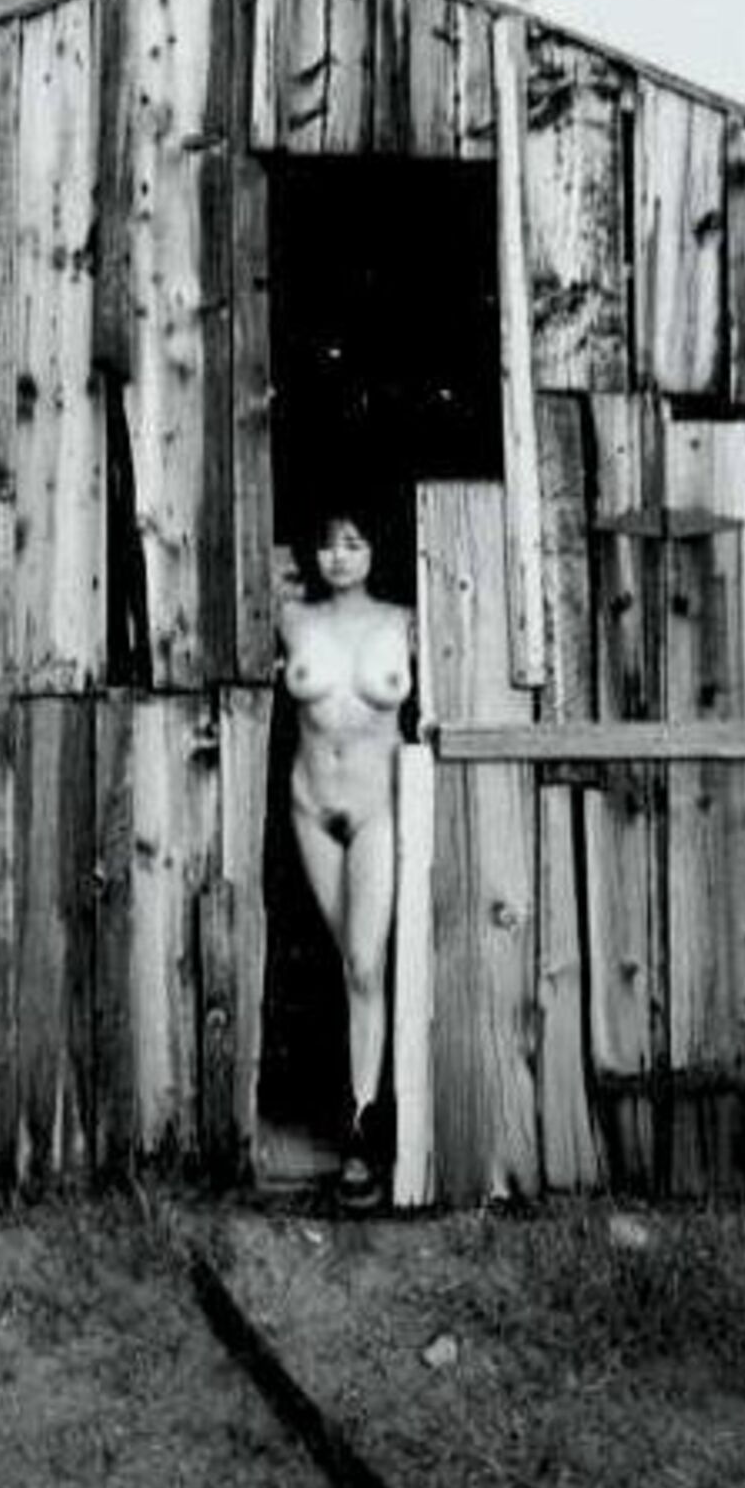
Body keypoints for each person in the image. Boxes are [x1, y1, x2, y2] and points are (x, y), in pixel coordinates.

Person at [277, 503, 413, 1208]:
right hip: (310, 803)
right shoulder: (292, 618)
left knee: (365, 963)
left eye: (354, 543)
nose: (340, 556)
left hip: (376, 808)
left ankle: (362, 1124)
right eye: (328, 544)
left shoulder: (404, 622)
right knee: (344, 964)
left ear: (375, 551)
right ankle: (351, 1106)